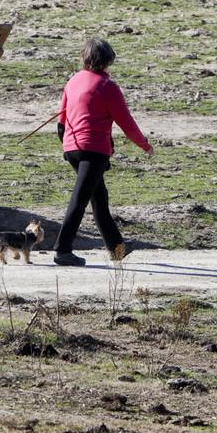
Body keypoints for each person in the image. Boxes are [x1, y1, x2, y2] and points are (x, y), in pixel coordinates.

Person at [53, 38, 152, 267]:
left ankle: (117, 248)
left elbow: (61, 123)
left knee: (99, 197)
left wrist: (67, 146)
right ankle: (62, 250)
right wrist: (145, 145)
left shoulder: (73, 81)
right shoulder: (108, 87)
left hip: (72, 147)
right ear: (108, 60)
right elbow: (126, 123)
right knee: (80, 199)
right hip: (93, 150)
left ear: (84, 57)